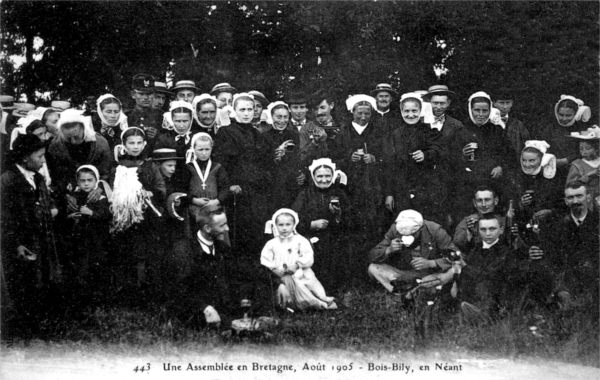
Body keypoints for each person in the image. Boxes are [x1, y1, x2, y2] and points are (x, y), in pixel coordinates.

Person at [1, 134, 62, 338]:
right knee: (22, 284)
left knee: (41, 281)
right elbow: (5, 217)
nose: (43, 161)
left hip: (41, 239)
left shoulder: (38, 178)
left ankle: (40, 325)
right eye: (40, 156)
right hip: (21, 243)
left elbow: (45, 203)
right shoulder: (8, 180)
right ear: (25, 157)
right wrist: (16, 244)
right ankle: (23, 328)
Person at [109, 127, 166, 301]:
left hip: (147, 216)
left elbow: (161, 187)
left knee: (147, 253)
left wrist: (152, 193)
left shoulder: (150, 165)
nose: (135, 147)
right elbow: (112, 189)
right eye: (131, 143)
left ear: (145, 144)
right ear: (124, 145)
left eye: (139, 143)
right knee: (127, 252)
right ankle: (127, 291)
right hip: (125, 217)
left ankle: (147, 290)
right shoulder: (117, 167)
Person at [213, 93, 274, 253]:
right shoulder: (225, 132)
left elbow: (266, 161)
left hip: (257, 190)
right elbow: (221, 162)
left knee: (258, 231)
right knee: (239, 232)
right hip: (238, 191)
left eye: (250, 109)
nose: (246, 113)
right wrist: (230, 184)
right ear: (234, 111)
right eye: (242, 109)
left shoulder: (258, 134)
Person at [331, 94, 388, 256]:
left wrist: (375, 159)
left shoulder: (378, 132)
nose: (363, 117)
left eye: (367, 113)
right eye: (359, 113)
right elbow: (334, 159)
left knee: (371, 225)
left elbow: (388, 158)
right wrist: (349, 158)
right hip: (349, 188)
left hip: (372, 187)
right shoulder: (342, 133)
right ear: (352, 112)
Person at [167, 208, 238, 327]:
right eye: (222, 225)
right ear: (207, 229)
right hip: (194, 311)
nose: (227, 229)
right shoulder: (183, 251)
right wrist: (204, 307)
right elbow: (180, 289)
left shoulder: (223, 248)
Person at [385, 92, 444, 225]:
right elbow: (390, 166)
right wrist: (389, 193)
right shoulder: (395, 134)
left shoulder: (429, 131)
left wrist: (426, 155)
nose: (410, 115)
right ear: (401, 111)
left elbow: (438, 150)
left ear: (420, 111)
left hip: (425, 186)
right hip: (401, 188)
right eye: (406, 111)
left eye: (414, 111)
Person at [292, 158, 350, 292]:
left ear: (333, 176)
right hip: (310, 236)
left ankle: (333, 288)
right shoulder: (305, 194)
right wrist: (310, 225)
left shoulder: (339, 193)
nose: (324, 180)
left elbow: (350, 220)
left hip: (334, 236)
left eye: (327, 176)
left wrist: (338, 215)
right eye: (320, 176)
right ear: (313, 176)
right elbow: (293, 218)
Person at [261, 208, 337, 311]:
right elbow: (265, 259)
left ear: (294, 225)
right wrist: (274, 269)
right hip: (282, 275)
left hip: (300, 273)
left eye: (288, 225)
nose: (284, 228)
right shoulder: (271, 243)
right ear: (276, 226)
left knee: (307, 286)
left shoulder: (300, 240)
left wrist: (297, 265)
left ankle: (317, 302)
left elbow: (308, 256)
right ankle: (293, 304)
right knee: (286, 288)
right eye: (281, 225)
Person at [368, 210, 456, 297]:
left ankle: (413, 291)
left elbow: (457, 256)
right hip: (404, 274)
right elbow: (372, 255)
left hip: (430, 274)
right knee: (373, 268)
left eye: (412, 234)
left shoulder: (435, 230)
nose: (407, 239)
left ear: (420, 229)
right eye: (403, 235)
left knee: (442, 277)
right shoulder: (395, 229)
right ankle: (400, 293)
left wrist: (432, 263)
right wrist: (388, 250)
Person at [454, 91, 512, 217]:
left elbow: (509, 155)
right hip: (469, 184)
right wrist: (462, 155)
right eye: (477, 110)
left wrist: (501, 167)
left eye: (485, 111)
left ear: (490, 110)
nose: (480, 114)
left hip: (494, 182)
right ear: (470, 110)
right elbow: (451, 160)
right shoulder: (461, 131)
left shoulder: (497, 131)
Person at [63, 165, 111, 309]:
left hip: (97, 239)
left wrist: (90, 213)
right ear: (77, 182)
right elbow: (69, 214)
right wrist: (72, 216)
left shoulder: (101, 198)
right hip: (80, 239)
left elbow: (106, 216)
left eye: (90, 180)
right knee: (81, 267)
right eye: (82, 180)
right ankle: (83, 302)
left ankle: (100, 302)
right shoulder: (75, 197)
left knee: (97, 267)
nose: (86, 184)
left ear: (96, 181)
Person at [47, 109, 113, 205]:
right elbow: (56, 176)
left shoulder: (100, 143)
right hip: (69, 192)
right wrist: (66, 195)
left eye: (76, 136)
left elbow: (106, 172)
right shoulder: (55, 146)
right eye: (68, 138)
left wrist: (99, 188)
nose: (73, 141)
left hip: (96, 189)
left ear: (82, 127)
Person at [422, 85, 465, 227]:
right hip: (424, 176)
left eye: (442, 103)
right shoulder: (420, 122)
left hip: (447, 177)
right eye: (435, 103)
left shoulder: (456, 125)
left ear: (448, 103)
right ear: (429, 103)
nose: (438, 107)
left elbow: (457, 153)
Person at [457, 213, 512, 320]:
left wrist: (464, 266)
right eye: (483, 230)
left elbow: (488, 275)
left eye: (492, 229)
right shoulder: (476, 249)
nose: (487, 234)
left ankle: (484, 316)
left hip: (495, 298)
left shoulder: (505, 252)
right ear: (478, 231)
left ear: (501, 230)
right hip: (474, 295)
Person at [534, 95, 592, 183]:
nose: (564, 119)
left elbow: (586, 152)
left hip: (577, 174)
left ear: (576, 114)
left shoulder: (582, 130)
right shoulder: (549, 129)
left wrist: (566, 160)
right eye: (561, 115)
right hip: (553, 173)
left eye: (568, 115)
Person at [263, 101, 305, 212]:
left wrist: (302, 173)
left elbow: (299, 158)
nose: (282, 121)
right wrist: (276, 154)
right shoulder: (264, 136)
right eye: (279, 117)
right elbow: (261, 162)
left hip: (291, 184)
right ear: (272, 117)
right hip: (272, 185)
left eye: (285, 117)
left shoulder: (294, 135)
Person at [515, 140, 565, 224]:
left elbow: (563, 204)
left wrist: (550, 212)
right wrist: (521, 204)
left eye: (531, 160)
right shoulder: (519, 177)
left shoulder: (554, 177)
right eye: (524, 160)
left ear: (541, 160)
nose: (527, 165)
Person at [453, 184, 504, 252]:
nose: (483, 205)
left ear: (496, 201)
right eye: (479, 200)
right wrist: (469, 232)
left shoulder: (504, 221)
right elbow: (458, 244)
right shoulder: (467, 222)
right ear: (474, 203)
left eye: (487, 200)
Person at [493, 89, 531, 164]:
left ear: (512, 104)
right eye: (501, 103)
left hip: (514, 166)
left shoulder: (518, 125)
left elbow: (527, 146)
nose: (505, 107)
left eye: (508, 103)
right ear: (494, 103)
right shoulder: (488, 123)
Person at [125, 74, 162, 147]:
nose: (146, 97)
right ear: (133, 94)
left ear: (154, 94)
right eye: (141, 94)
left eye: (149, 94)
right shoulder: (126, 117)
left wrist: (157, 135)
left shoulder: (162, 117)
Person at [566, 126, 600, 206]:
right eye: (581, 149)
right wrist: (589, 175)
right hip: (586, 202)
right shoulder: (577, 164)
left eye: (588, 149)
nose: (584, 152)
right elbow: (570, 185)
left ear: (597, 149)